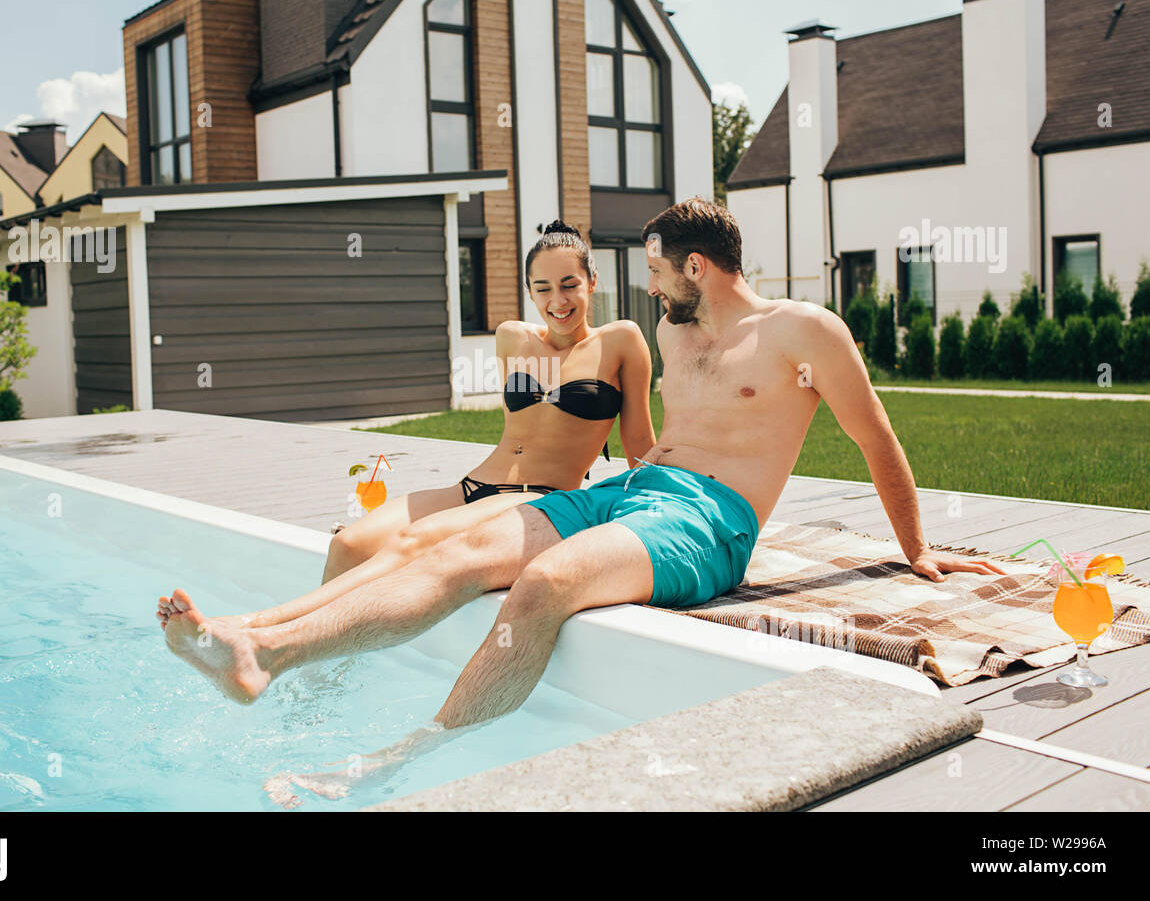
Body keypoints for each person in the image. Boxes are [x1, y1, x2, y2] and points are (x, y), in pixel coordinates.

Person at [158, 197, 999, 800]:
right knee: (456, 552)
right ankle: (261, 653)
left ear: (696, 266)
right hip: (636, 491)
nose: (654, 285)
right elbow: (638, 436)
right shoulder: (673, 331)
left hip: (709, 519)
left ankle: (393, 768)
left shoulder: (802, 331)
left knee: (546, 584)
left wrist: (916, 550)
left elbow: (876, 437)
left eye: (662, 270)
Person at [157, 219, 654, 631]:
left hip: (540, 496)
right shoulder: (512, 338)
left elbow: (639, 451)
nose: (558, 301)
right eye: (542, 289)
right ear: (528, 291)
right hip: (477, 483)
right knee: (347, 543)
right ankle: (320, 675)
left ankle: (255, 629)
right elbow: (520, 431)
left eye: (570, 285)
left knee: (410, 545)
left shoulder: (620, 342)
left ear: (592, 282)